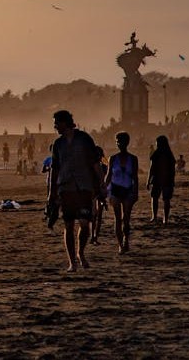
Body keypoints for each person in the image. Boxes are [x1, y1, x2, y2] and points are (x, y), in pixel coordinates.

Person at [47, 110, 101, 272]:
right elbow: (54, 170)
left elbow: (95, 164)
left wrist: (102, 184)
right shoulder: (58, 144)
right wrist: (51, 193)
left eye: (57, 122)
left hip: (84, 186)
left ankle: (81, 253)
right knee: (69, 225)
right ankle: (72, 262)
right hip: (65, 187)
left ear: (65, 122)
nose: (55, 126)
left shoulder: (84, 139)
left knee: (85, 224)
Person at [106, 132, 139, 254]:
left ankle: (126, 240)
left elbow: (135, 177)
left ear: (127, 143)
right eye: (117, 141)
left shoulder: (133, 159)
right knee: (117, 218)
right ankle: (120, 244)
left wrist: (135, 192)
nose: (119, 144)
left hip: (128, 189)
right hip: (115, 189)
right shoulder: (113, 158)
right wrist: (104, 189)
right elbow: (109, 175)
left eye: (121, 141)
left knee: (126, 218)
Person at [147, 135, 176, 224]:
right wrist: (172, 180)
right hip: (168, 179)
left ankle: (154, 217)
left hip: (157, 179)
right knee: (166, 199)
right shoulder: (169, 154)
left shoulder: (156, 154)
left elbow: (151, 168)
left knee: (154, 198)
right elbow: (173, 169)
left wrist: (148, 181)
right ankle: (165, 219)